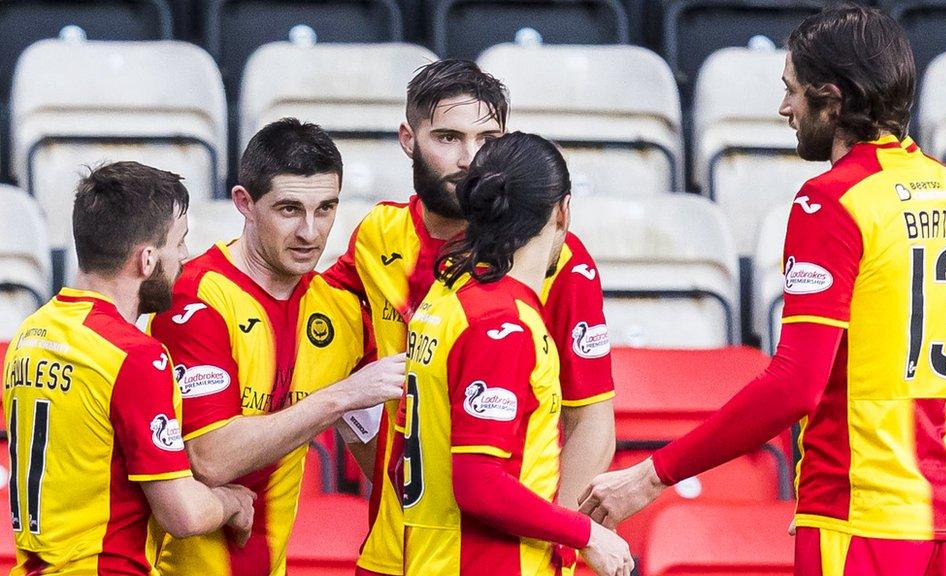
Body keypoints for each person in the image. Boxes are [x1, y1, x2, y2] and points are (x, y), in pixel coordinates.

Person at [579, 6, 946, 576]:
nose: (785, 109)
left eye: (792, 92)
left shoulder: (830, 199)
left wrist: (651, 475)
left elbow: (793, 385)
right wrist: (916, 448)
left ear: (831, 100)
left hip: (858, 520)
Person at [322, 59, 616, 575]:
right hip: (391, 550)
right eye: (448, 137)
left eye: (487, 137)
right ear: (408, 139)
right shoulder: (378, 235)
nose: (470, 158)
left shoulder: (559, 262)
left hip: (506, 552)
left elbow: (591, 420)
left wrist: (562, 542)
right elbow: (314, 327)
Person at [147, 118, 405, 576]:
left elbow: (383, 462)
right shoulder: (196, 295)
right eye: (289, 209)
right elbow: (210, 459)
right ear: (244, 203)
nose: (310, 232)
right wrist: (342, 396)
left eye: (325, 208)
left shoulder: (340, 312)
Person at [2, 162, 255, 575]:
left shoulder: (30, 334)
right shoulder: (134, 355)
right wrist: (232, 502)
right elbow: (184, 515)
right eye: (180, 242)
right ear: (148, 259)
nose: (185, 256)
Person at [400, 131, 631, 576]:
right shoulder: (502, 324)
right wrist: (585, 533)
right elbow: (478, 483)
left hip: (434, 558)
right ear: (563, 210)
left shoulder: (447, 296)